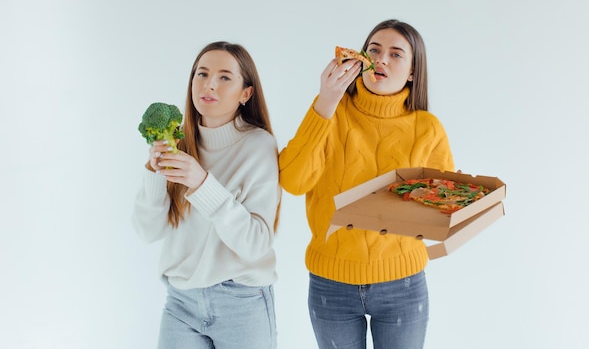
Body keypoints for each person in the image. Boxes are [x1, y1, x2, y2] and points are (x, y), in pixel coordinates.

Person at [278, 19, 455, 349]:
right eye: (373, 50)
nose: (381, 59)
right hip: (331, 282)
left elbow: (443, 208)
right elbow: (293, 181)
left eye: (395, 54)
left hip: (402, 284)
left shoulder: (427, 128)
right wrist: (326, 101)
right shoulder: (330, 111)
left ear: (414, 72)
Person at [133, 41, 281, 349]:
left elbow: (255, 244)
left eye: (225, 77)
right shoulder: (178, 142)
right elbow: (148, 231)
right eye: (201, 74)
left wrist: (202, 184)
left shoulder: (258, 146)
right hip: (181, 302)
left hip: (242, 302)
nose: (209, 84)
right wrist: (153, 172)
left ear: (246, 93)